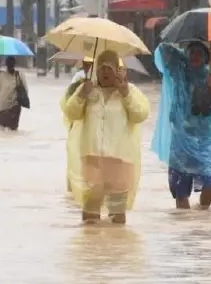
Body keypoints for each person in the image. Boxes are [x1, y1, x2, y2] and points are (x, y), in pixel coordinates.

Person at [63, 51, 151, 224]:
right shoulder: (88, 90)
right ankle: (92, 250)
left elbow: (140, 115)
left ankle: (116, 249)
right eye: (101, 68)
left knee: (117, 215)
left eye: (109, 68)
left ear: (117, 70)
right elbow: (70, 112)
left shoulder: (129, 91)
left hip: (120, 160)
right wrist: (81, 95)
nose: (104, 72)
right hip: (92, 159)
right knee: (90, 214)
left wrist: (125, 93)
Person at [152, 40, 211, 209]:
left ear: (206, 58)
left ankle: (201, 217)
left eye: (200, 53)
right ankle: (186, 229)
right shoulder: (179, 74)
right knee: (181, 192)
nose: (195, 56)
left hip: (203, 143)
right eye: (191, 52)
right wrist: (184, 42)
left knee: (210, 184)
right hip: (180, 144)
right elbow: (163, 50)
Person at [62, 57, 94, 195]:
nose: (88, 66)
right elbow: (69, 103)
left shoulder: (103, 81)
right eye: (86, 64)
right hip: (79, 125)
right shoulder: (78, 78)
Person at [0, 57, 27, 130]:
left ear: (6, 64)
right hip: (15, 107)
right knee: (13, 131)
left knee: (1, 130)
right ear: (15, 64)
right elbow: (25, 90)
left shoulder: (1, 75)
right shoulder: (20, 75)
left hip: (3, 107)